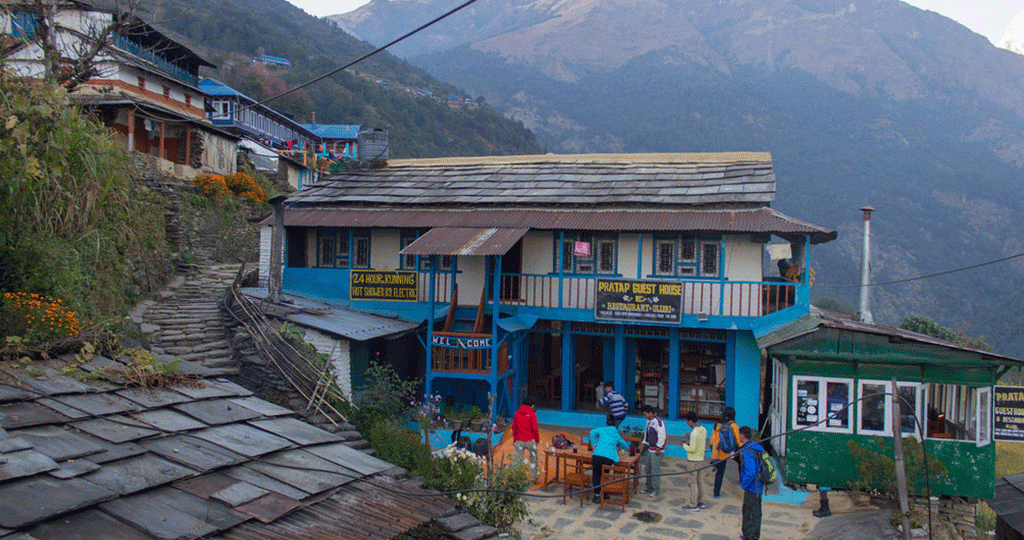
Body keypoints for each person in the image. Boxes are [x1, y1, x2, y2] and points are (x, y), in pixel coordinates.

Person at [589, 413, 630, 503]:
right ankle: (605, 493)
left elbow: (592, 432)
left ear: (606, 424)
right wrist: (628, 449)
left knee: (596, 474)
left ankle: (596, 495)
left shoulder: (602, 429)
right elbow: (624, 443)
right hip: (608, 457)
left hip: (596, 455)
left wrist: (593, 444)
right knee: (605, 474)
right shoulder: (615, 432)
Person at [737, 426, 764, 540]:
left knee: (750, 511)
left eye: (739, 434)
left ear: (743, 436)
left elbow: (751, 472)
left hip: (753, 487)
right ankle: (750, 534)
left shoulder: (748, 451)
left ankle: (751, 536)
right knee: (754, 511)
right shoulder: (756, 447)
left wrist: (744, 484)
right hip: (757, 486)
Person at [709, 406, 740, 498]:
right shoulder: (733, 425)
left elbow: (711, 440)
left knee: (719, 473)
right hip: (727, 452)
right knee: (739, 463)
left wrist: (712, 451)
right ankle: (742, 481)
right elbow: (738, 440)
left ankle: (716, 493)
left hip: (716, 452)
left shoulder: (717, 425)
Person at [681, 410, 707, 511]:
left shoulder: (694, 433)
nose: (687, 424)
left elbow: (692, 449)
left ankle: (693, 504)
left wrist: (683, 445)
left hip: (693, 460)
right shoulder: (702, 429)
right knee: (700, 481)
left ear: (691, 421)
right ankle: (702, 501)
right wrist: (689, 436)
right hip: (701, 459)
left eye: (687, 422)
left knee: (693, 482)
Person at [639, 404, 666, 498]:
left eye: (645, 414)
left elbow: (662, 435)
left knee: (655, 470)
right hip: (650, 449)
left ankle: (655, 489)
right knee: (648, 469)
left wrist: (659, 447)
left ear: (650, 412)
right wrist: (644, 444)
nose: (644, 416)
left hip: (657, 451)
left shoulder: (659, 421)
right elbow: (646, 434)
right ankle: (649, 487)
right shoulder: (649, 422)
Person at [512, 396, 540, 480]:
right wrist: (537, 440)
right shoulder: (532, 413)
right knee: (534, 459)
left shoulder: (517, 413)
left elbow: (514, 428)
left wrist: (515, 439)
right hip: (530, 440)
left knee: (517, 461)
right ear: (532, 405)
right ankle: (534, 477)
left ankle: (514, 478)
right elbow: (535, 428)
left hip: (519, 440)